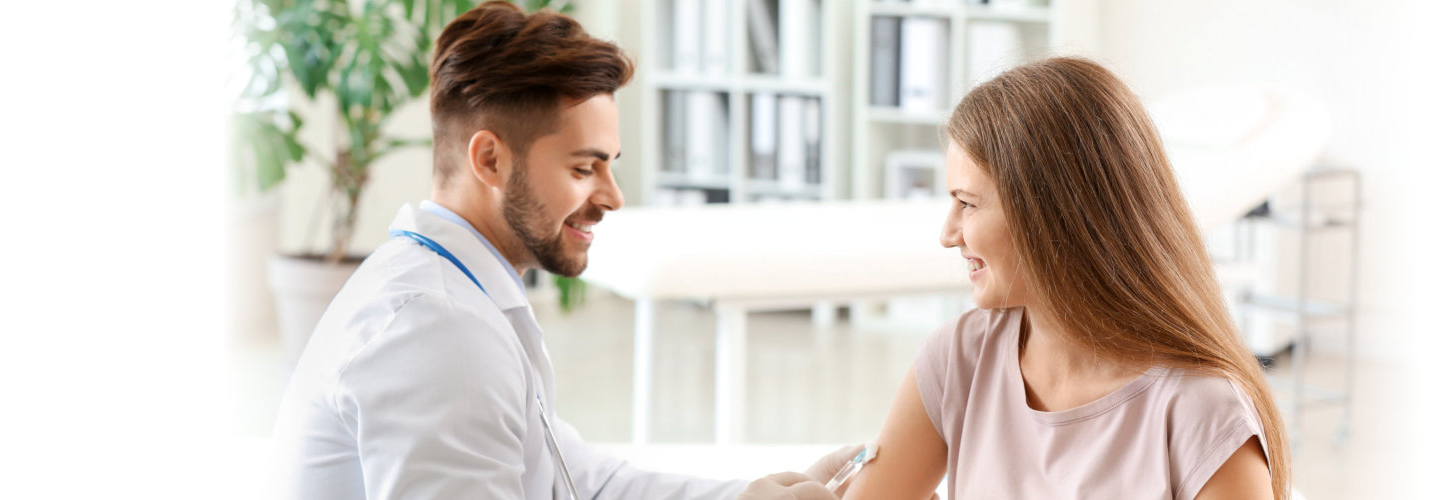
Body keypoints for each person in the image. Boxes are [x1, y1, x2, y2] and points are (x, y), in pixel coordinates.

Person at [272, 3, 854, 499]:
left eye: (610, 166)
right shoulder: (438, 330)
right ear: (489, 160)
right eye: (584, 168)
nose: (613, 197)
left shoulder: (450, 287)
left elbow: (577, 478)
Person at [842, 57, 1293, 500]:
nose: (948, 234)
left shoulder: (1200, 410)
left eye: (968, 204)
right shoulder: (960, 360)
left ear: (1051, 215)